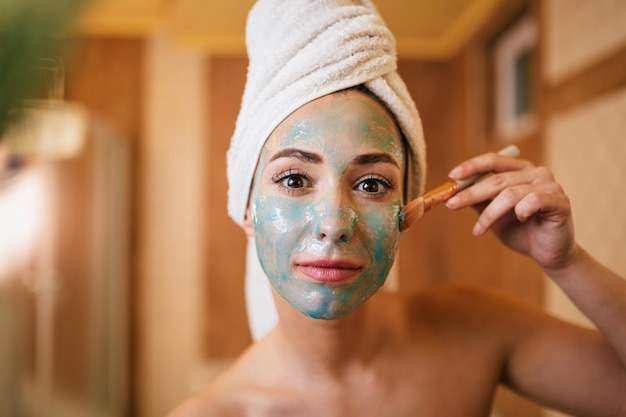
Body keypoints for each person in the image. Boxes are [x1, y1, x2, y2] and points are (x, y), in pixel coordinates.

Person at [168, 1, 626, 416]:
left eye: (371, 183)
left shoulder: (474, 331)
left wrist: (567, 263)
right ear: (246, 209)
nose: (333, 224)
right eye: (294, 179)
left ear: (408, 212)